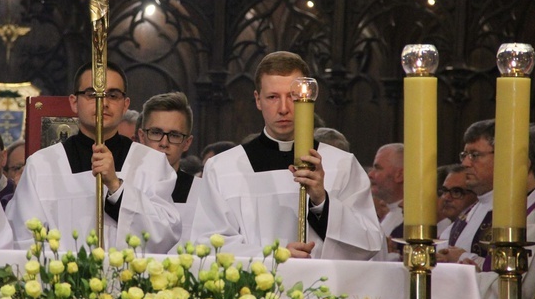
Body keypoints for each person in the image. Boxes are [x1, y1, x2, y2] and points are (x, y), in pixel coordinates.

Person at [191, 51, 384, 259]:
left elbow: (369, 244)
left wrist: (322, 201)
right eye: (273, 97)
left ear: (308, 98)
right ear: (258, 100)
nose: (283, 109)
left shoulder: (342, 165)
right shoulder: (223, 168)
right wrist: (274, 257)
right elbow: (208, 244)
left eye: (293, 97)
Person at [6, 62, 181, 253]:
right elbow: (24, 237)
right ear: (74, 102)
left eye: (113, 95)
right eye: (92, 94)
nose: (103, 103)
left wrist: (116, 187)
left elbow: (165, 233)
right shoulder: (41, 165)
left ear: (125, 105)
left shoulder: (151, 163)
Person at [477, 124, 535, 299]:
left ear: (526, 165)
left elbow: (516, 290)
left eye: (502, 162)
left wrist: (458, 281)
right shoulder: (525, 209)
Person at [138, 92, 201, 249]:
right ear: (141, 136)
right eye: (156, 133)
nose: (164, 143)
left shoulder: (202, 192)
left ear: (187, 143)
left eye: (174, 135)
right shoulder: (125, 188)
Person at [437, 119, 496, 266]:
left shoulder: (522, 210)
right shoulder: (470, 211)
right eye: (465, 155)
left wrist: (462, 257)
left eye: (475, 155)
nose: (465, 163)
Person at [368, 143, 404, 237]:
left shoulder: (411, 221)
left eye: (378, 168)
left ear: (399, 175)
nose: (370, 174)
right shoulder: (390, 215)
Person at [437, 164, 477, 234]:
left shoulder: (477, 231)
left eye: (456, 192)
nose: (446, 198)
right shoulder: (443, 232)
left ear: (476, 195)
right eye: (444, 190)